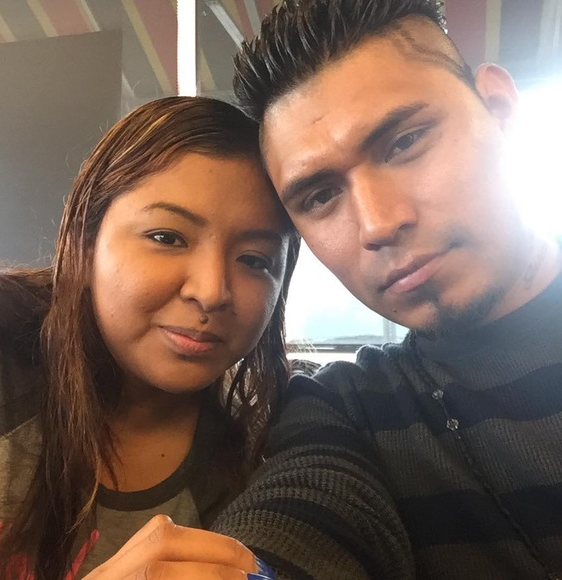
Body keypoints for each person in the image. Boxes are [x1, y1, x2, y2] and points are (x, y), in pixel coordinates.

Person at [208, 1, 562, 579]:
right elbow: (298, 522)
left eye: (405, 142)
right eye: (321, 196)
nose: (377, 224)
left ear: (498, 108)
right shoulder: (350, 411)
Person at [0, 95, 299, 579]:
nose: (211, 292)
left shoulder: (263, 453)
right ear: (85, 241)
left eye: (255, 260)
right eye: (167, 237)